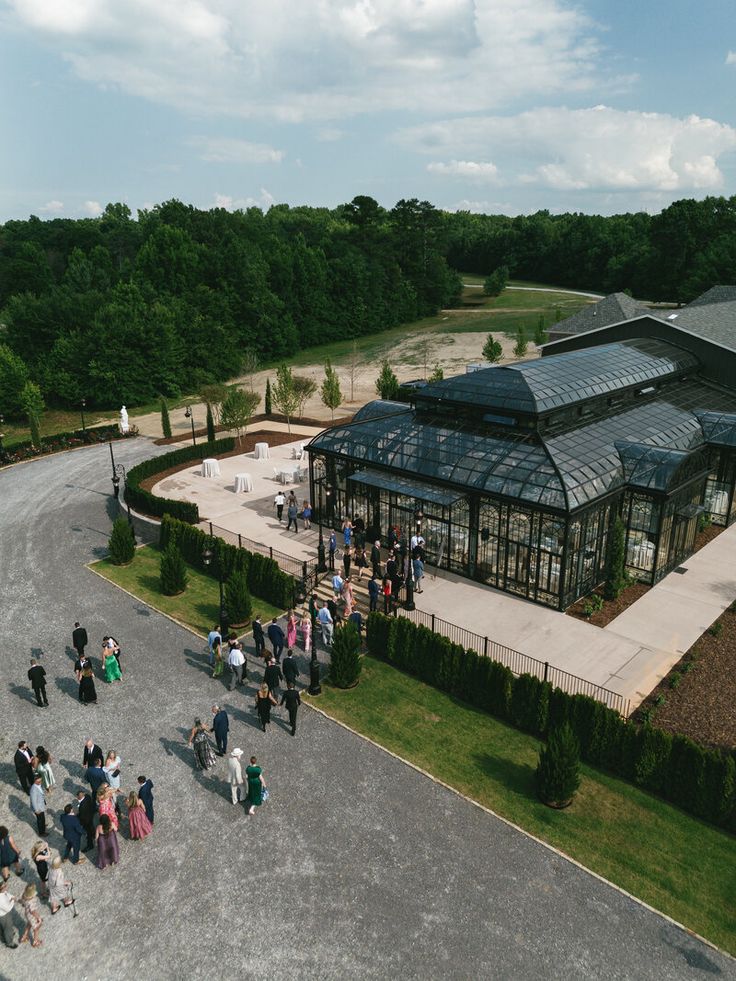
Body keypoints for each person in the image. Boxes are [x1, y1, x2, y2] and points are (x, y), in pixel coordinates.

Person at [0, 881, 19, 948]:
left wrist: (12, 897)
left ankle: (5, 935)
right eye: (4, 886)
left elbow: (7, 894)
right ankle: (9, 942)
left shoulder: (2, 892)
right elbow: (8, 908)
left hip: (3, 914)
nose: (6, 886)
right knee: (7, 927)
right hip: (3, 915)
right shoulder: (0, 899)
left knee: (4, 927)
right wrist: (13, 900)